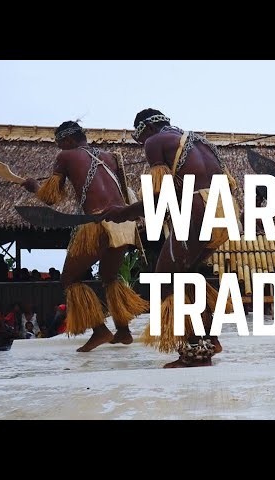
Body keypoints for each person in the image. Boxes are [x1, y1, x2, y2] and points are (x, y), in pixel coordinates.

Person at [102, 108, 240, 368]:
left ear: (147, 129)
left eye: (139, 137)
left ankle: (194, 355)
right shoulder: (199, 141)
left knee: (164, 280)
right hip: (227, 209)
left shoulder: (155, 141)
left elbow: (160, 195)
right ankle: (210, 339)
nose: (142, 144)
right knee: (186, 276)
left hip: (200, 207)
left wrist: (125, 212)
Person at [21, 121, 149, 352]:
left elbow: (50, 198)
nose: (58, 147)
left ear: (68, 140)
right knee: (110, 277)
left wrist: (33, 187)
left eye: (59, 142)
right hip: (123, 224)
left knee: (69, 279)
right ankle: (123, 330)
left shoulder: (66, 156)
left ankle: (100, 331)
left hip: (97, 224)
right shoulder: (110, 156)